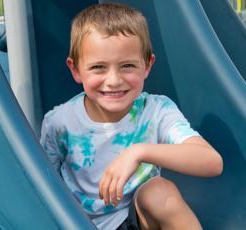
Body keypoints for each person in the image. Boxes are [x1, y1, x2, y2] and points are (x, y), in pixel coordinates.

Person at [40, 3, 223, 230]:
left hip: (135, 221)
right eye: (98, 67)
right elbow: (40, 183)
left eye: (127, 66)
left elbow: (211, 162)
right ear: (75, 69)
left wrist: (139, 152)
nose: (114, 80)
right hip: (77, 223)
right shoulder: (59, 122)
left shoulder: (155, 110)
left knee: (159, 192)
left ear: (147, 65)